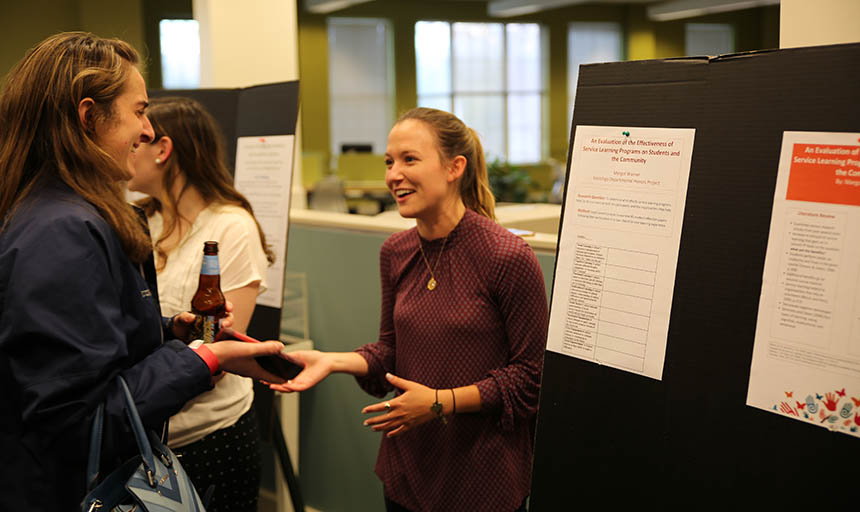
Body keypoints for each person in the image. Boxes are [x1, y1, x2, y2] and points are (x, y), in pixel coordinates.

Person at [0, 32, 289, 510]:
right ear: (88, 116)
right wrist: (204, 360)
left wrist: (171, 333)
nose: (149, 131)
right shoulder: (63, 231)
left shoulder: (61, 214)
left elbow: (83, 346)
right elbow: (82, 419)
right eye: (139, 111)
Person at [272, 107, 548, 512]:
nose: (393, 175)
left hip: (481, 476)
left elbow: (531, 379)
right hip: (408, 469)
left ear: (455, 167)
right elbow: (390, 353)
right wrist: (332, 361)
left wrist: (440, 401)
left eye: (409, 159)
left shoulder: (506, 256)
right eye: (389, 162)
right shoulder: (396, 252)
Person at [127, 95, 275, 511]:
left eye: (139, 138)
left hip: (211, 435)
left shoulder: (231, 227)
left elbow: (223, 351)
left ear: (163, 149)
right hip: (147, 435)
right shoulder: (139, 220)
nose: (127, 148)